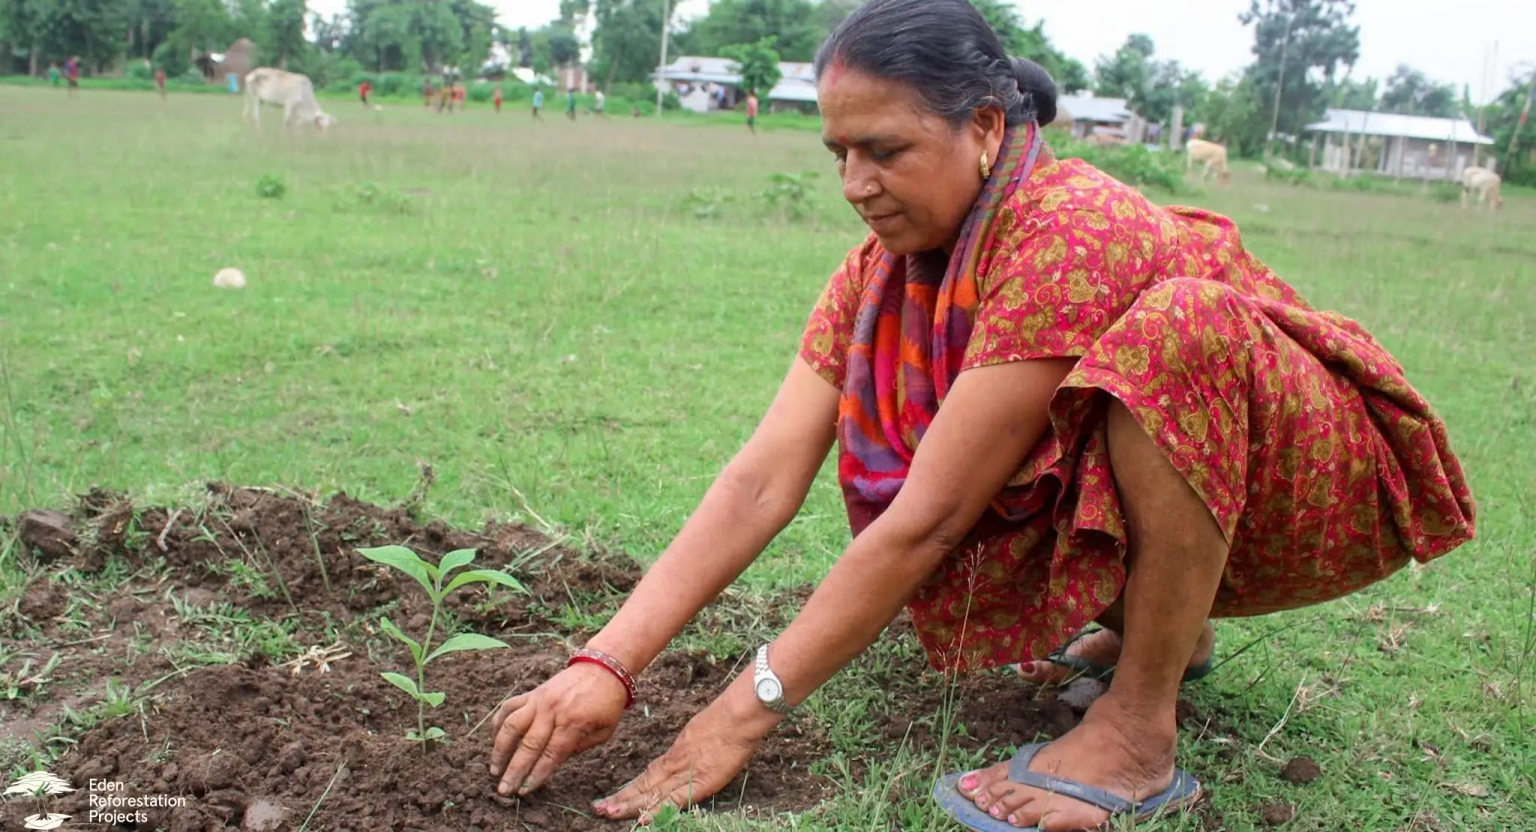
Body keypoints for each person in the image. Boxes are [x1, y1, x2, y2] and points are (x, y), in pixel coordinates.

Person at [485, 0, 1476, 829]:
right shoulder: (879, 276)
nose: (855, 186)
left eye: (886, 150)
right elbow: (760, 479)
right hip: (1211, 486)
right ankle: (1164, 631)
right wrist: (607, 662)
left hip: (1314, 493)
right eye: (838, 152)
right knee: (1024, 424)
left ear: (987, 129)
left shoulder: (1069, 232)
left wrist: (739, 716)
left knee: (1179, 331)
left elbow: (933, 515)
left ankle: (1138, 728)